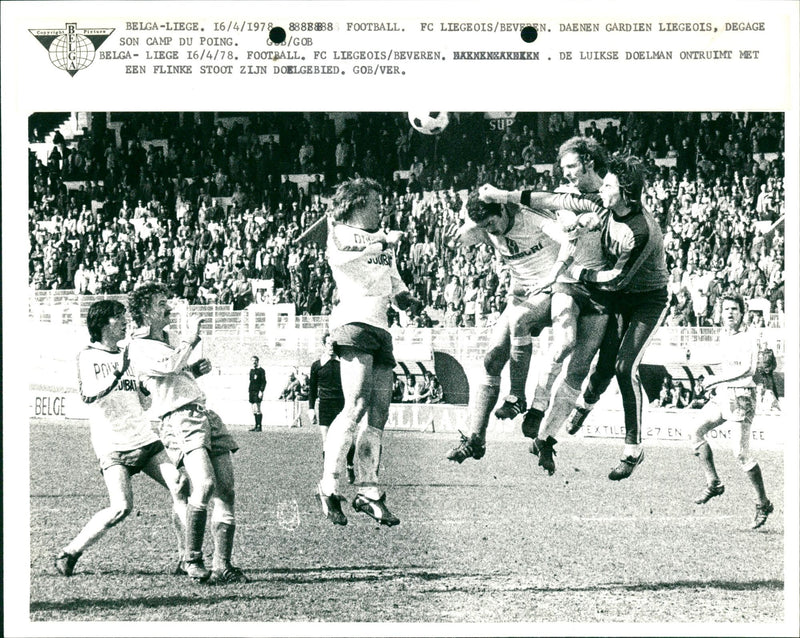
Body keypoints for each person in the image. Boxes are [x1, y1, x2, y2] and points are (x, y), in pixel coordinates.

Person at [487, 154, 668, 480]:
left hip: (643, 299)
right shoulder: (602, 206)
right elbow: (551, 198)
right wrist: (503, 195)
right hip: (605, 293)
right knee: (588, 360)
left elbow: (616, 279)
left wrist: (576, 270)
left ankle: (631, 448)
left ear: (624, 192)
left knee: (621, 367)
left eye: (608, 185)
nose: (602, 188)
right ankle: (554, 415)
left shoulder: (641, 231)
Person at [475, 136, 612, 475]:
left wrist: (599, 221)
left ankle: (546, 439)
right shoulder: (562, 198)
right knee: (564, 343)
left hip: (602, 287)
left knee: (580, 369)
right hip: (568, 281)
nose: (566, 174)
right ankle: (536, 407)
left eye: (571, 167)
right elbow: (534, 206)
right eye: (563, 168)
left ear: (589, 163)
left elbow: (619, 220)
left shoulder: (610, 193)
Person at [55, 300, 189, 577]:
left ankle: (185, 557)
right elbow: (89, 395)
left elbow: (142, 403)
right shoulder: (88, 356)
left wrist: (146, 387)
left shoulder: (130, 355)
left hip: (144, 439)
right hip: (113, 446)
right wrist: (120, 370)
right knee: (121, 508)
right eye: (119, 318)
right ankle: (70, 552)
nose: (125, 322)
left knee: (180, 486)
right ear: (104, 324)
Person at [317, 177, 422, 527]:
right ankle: (329, 484)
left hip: (380, 327)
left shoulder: (382, 241)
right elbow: (343, 261)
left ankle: (368, 490)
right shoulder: (341, 231)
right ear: (358, 202)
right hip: (353, 322)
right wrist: (381, 242)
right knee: (357, 403)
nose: (382, 207)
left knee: (378, 414)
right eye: (376, 202)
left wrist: (408, 299)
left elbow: (395, 285)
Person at [127, 282, 246, 584]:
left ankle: (224, 565)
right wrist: (191, 340)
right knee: (203, 484)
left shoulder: (168, 338)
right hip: (178, 419)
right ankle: (191, 559)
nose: (166, 307)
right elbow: (167, 367)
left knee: (226, 490)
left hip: (202, 413)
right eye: (159, 303)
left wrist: (193, 370)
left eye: (166, 300)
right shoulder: (138, 346)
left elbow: (175, 370)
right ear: (145, 312)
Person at [690, 295, 774, 529]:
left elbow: (747, 370)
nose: (729, 313)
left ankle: (762, 502)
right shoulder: (723, 336)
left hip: (742, 396)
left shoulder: (749, 337)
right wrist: (713, 384)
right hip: (723, 394)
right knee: (695, 432)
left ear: (742, 313)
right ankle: (714, 482)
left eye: (734, 309)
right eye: (726, 309)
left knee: (740, 452)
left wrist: (716, 380)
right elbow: (727, 367)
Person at [308, 332, 355, 484]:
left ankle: (349, 465)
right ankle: (328, 472)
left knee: (348, 439)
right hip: (325, 405)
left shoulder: (344, 363)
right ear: (324, 344)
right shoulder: (317, 365)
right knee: (327, 441)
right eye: (328, 344)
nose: (331, 347)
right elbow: (312, 389)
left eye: (334, 344)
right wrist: (310, 408)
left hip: (342, 405)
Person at [248, 355, 267, 431]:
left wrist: (261, 391)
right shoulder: (251, 370)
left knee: (257, 407)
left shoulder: (261, 370)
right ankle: (256, 425)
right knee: (253, 409)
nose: (254, 362)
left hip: (257, 391)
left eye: (255, 360)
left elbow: (264, 382)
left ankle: (259, 426)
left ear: (257, 361)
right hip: (251, 391)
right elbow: (251, 381)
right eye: (252, 361)